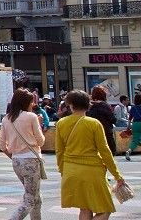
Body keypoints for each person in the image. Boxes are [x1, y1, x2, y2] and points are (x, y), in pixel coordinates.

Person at [56, 89, 126, 219]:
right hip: (93, 170)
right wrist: (117, 175)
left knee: (85, 208)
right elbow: (105, 151)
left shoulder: (61, 123)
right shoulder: (93, 123)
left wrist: (62, 170)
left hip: (71, 170)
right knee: (106, 209)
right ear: (88, 104)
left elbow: (59, 151)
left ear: (71, 105)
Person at [0, 88, 46, 220]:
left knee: (35, 196)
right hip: (31, 160)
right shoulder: (31, 117)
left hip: (17, 162)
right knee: (30, 198)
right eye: (31, 102)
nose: (33, 105)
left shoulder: (6, 119)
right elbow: (41, 141)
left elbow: (2, 145)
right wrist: (40, 124)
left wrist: (14, 156)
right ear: (25, 103)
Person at [88, 86, 119, 156]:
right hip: (106, 133)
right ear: (103, 95)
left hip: (93, 134)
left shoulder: (90, 106)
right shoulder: (105, 105)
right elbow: (113, 120)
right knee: (109, 155)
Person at [127, 94, 141, 161]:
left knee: (135, 140)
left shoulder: (133, 108)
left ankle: (129, 151)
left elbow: (130, 119)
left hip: (135, 125)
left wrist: (128, 127)